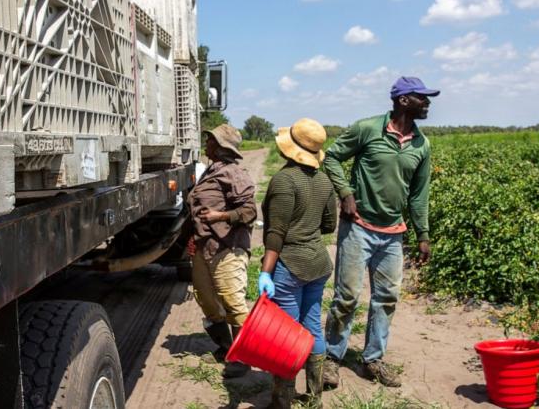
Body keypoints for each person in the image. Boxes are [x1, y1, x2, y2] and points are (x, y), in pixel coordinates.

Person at [322, 76, 438, 388]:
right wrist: (345, 193)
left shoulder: (421, 145)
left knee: (386, 298)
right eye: (422, 98)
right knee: (346, 297)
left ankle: (373, 359)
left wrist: (423, 234)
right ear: (403, 100)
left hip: (392, 234)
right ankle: (331, 358)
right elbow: (331, 157)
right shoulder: (367, 129)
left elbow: (418, 195)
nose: (428, 103)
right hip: (358, 227)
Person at [258, 118, 337, 408]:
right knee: (312, 326)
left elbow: (275, 234)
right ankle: (314, 398)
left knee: (286, 337)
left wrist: (266, 272)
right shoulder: (325, 181)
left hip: (290, 266)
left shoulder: (284, 180)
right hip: (317, 264)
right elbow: (329, 224)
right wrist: (308, 225)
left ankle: (282, 402)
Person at [187, 124, 256, 378]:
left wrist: (221, 215)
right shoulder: (211, 171)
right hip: (205, 246)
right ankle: (227, 347)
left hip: (227, 247)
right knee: (205, 299)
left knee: (233, 302)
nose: (206, 144)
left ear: (220, 146)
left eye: (210, 140)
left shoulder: (233, 173)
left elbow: (250, 212)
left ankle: (242, 357)